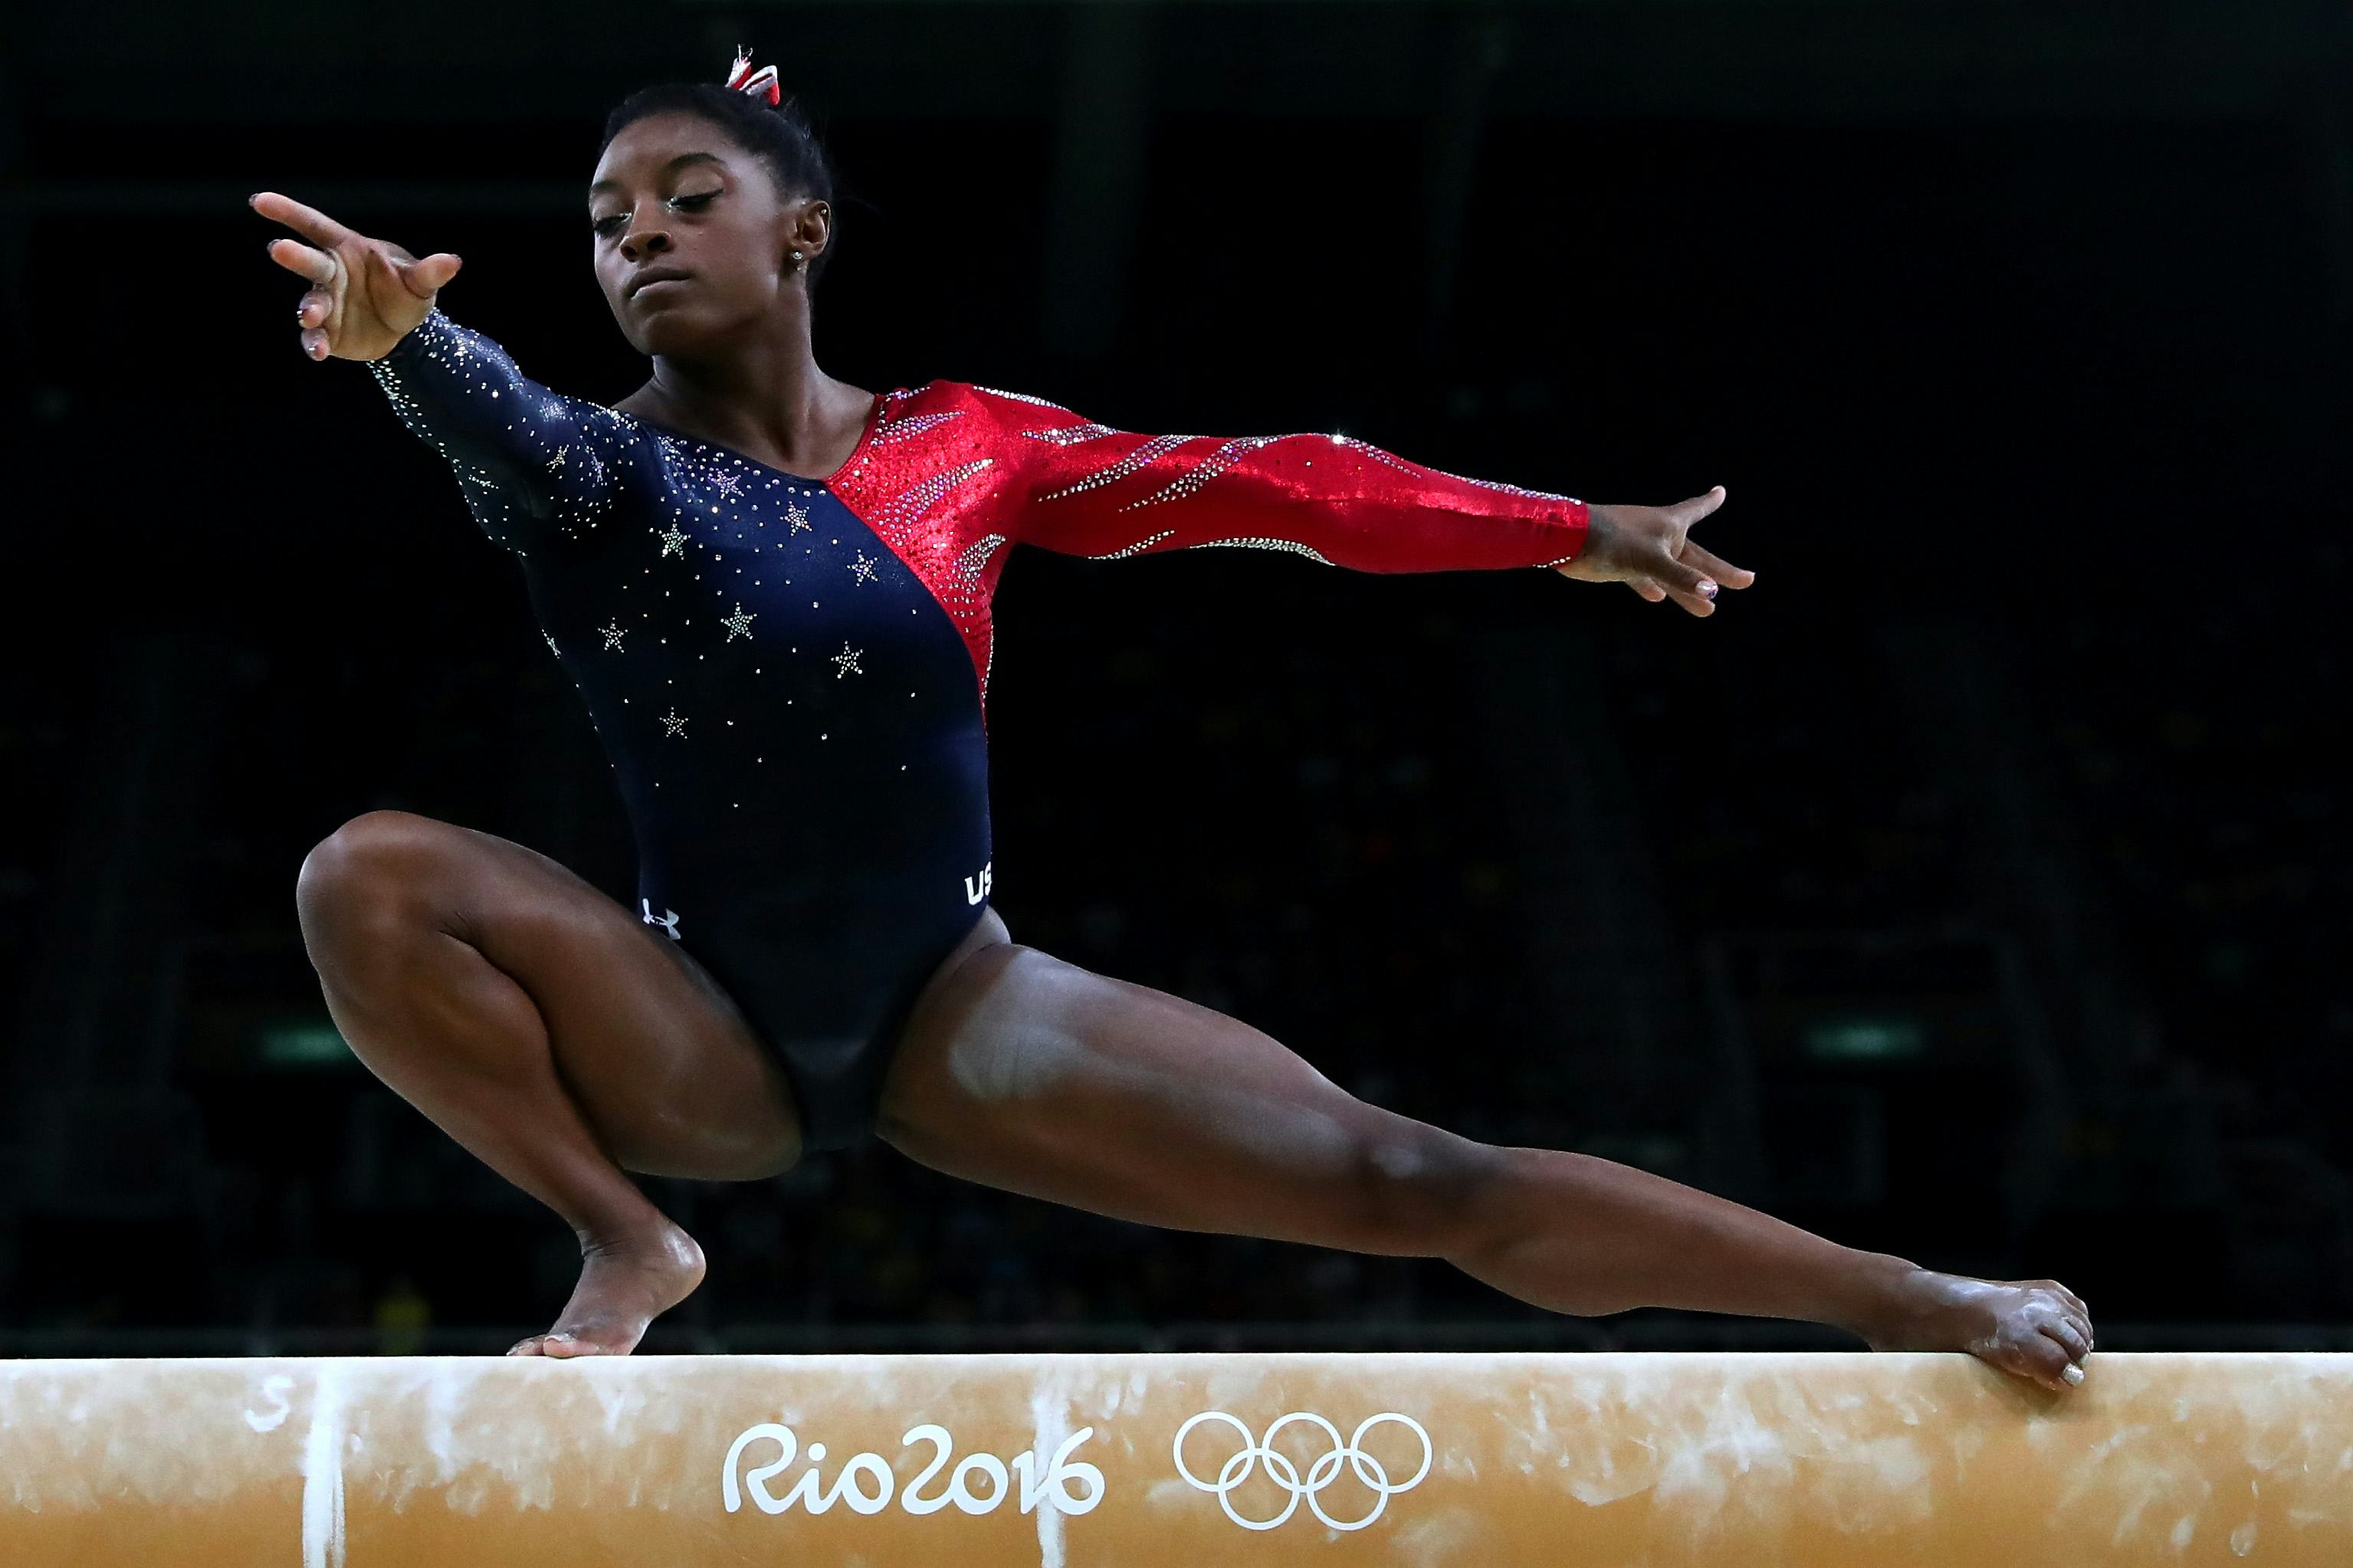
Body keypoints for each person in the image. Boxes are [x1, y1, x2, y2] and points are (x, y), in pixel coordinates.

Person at [257, 48, 2094, 1389]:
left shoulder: (964, 449)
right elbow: (504, 419)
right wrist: (408, 347)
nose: (636, 238)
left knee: (1410, 1175)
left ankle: (1911, 1300)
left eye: (683, 198)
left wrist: (1560, 530)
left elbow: (1270, 485)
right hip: (688, 1037)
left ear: (799, 228)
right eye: (603, 223)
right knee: (368, 875)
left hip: (956, 1010)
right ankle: (623, 1235)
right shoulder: (597, 478)